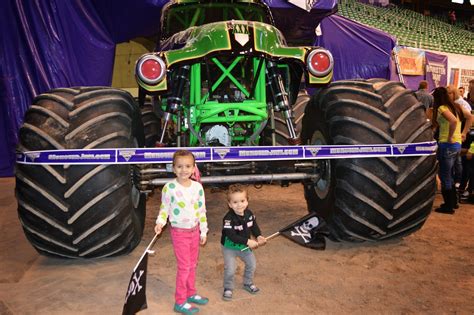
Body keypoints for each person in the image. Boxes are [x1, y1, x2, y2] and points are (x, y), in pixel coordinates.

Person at [154, 150, 209, 315]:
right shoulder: (169, 188)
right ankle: (180, 301)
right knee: (184, 267)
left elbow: (202, 210)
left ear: (193, 168)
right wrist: (160, 223)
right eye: (179, 166)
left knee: (193, 265)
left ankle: (191, 293)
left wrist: (203, 231)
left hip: (195, 231)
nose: (183, 170)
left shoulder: (198, 187)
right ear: (173, 168)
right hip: (179, 233)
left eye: (187, 166)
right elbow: (165, 209)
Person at [220, 184, 266, 301]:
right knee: (230, 268)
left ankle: (247, 283)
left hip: (244, 246)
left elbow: (254, 226)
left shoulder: (249, 214)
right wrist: (248, 241)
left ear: (247, 201)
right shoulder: (228, 219)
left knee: (252, 264)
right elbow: (231, 236)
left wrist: (259, 236)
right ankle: (228, 288)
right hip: (230, 247)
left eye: (242, 200)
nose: (239, 204)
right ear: (229, 204)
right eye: (235, 202)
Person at [432, 87, 472, 214]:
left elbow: (453, 121)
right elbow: (470, 117)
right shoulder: (456, 107)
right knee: (452, 173)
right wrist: (464, 133)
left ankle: (448, 206)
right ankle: (453, 203)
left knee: (445, 175)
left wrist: (449, 136)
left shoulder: (442, 108)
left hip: (447, 144)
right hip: (457, 145)